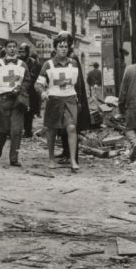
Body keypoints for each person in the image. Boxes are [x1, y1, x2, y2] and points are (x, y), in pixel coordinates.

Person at [36, 33, 81, 172]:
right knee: (52, 129)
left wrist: (79, 99)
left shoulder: (73, 63)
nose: (63, 49)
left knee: (71, 128)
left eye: (66, 46)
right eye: (60, 46)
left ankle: (73, 160)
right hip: (54, 99)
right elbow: (38, 84)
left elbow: (77, 84)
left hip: (70, 99)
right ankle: (51, 158)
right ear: (55, 48)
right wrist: (43, 92)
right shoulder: (48, 65)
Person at [0, 40, 30, 167]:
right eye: (9, 47)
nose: (12, 49)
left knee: (16, 130)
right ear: (5, 49)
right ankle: (0, 143)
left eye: (14, 47)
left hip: (18, 101)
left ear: (16, 49)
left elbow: (27, 81)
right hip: (2, 100)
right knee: (2, 130)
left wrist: (20, 88)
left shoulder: (23, 65)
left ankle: (14, 158)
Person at [18, 43, 41, 138]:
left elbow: (33, 76)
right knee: (19, 110)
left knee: (28, 112)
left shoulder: (31, 62)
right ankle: (18, 130)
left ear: (27, 52)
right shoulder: (17, 61)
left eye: (23, 51)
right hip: (19, 88)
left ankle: (28, 131)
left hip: (30, 90)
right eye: (20, 51)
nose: (22, 53)